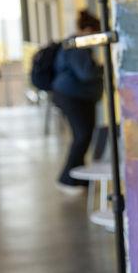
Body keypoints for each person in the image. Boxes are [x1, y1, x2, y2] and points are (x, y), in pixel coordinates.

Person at [51, 10, 103, 194]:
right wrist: (101, 69)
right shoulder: (77, 45)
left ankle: (79, 178)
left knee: (84, 136)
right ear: (89, 30)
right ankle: (67, 178)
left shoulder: (77, 45)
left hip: (75, 96)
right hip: (72, 96)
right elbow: (86, 73)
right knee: (82, 136)